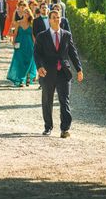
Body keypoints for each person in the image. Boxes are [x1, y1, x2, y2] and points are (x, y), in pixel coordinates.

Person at [34, 10, 83, 138]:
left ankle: (65, 129)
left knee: (64, 100)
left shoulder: (66, 35)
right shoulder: (42, 36)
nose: (56, 19)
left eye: (58, 17)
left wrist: (79, 69)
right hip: (47, 73)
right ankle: (48, 127)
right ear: (49, 20)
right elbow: (37, 53)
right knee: (47, 101)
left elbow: (73, 52)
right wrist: (39, 67)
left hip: (63, 73)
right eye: (54, 18)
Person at [6, 6, 37, 87]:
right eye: (25, 12)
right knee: (20, 62)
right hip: (20, 45)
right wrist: (13, 42)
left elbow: (33, 36)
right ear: (22, 13)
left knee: (29, 61)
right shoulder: (18, 23)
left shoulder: (32, 24)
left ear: (30, 14)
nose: (26, 14)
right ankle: (21, 80)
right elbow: (15, 34)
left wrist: (36, 45)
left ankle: (28, 77)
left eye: (28, 13)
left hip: (29, 45)